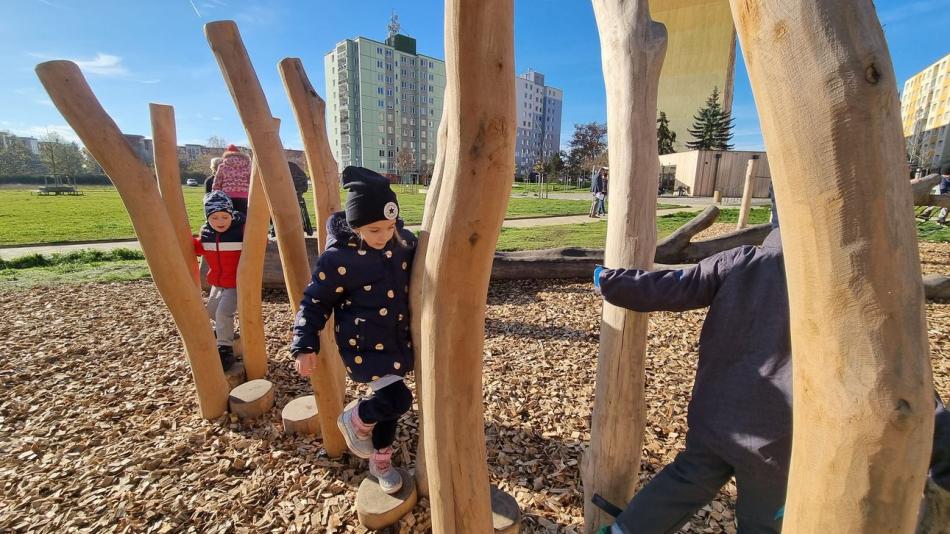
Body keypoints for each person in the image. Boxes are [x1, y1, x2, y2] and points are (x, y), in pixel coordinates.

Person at [291, 166, 417, 494]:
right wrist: (305, 344)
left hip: (397, 340)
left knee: (389, 406)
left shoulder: (402, 240)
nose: (384, 236)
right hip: (365, 345)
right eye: (375, 229)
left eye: (390, 226)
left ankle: (380, 460)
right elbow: (314, 301)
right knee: (397, 398)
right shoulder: (338, 259)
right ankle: (356, 419)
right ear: (355, 224)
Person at [193, 191, 244, 370]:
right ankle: (225, 331)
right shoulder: (206, 233)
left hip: (237, 283)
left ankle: (225, 349)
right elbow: (199, 248)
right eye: (214, 218)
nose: (220, 222)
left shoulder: (240, 230)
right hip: (218, 282)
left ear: (231, 215)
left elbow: (255, 242)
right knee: (212, 311)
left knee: (223, 313)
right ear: (208, 218)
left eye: (224, 216)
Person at [212, 145, 251, 215]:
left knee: (229, 218)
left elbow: (217, 183)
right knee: (243, 218)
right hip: (244, 196)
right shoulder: (247, 166)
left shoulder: (222, 166)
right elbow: (251, 182)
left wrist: (215, 196)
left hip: (227, 197)